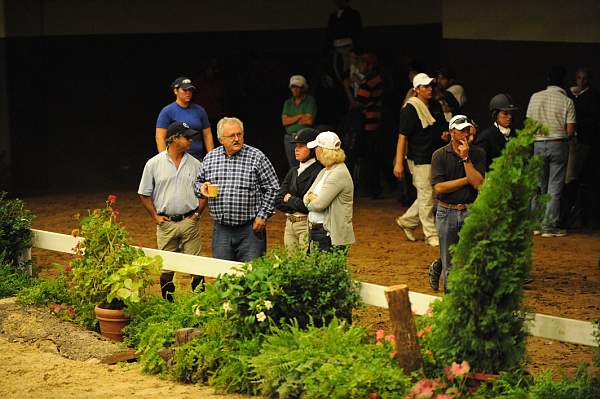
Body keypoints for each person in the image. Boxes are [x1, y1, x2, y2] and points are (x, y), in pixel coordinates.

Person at [194, 117, 279, 262]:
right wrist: (201, 188)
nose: (237, 139)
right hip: (221, 229)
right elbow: (197, 183)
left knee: (252, 276)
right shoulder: (210, 158)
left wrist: (263, 215)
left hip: (250, 229)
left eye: (239, 134)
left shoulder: (256, 157)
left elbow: (273, 188)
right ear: (221, 139)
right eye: (231, 136)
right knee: (222, 274)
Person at [138, 122, 207, 301]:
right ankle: (168, 303)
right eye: (187, 137)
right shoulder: (153, 164)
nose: (191, 140)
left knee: (196, 266)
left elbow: (204, 191)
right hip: (166, 223)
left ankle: (199, 304)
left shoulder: (196, 164)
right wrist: (155, 216)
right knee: (167, 268)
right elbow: (144, 193)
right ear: (175, 138)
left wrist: (197, 214)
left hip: (189, 221)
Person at [431, 115, 486, 292]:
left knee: (472, 260)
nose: (465, 133)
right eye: (461, 130)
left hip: (470, 211)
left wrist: (465, 159)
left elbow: (478, 183)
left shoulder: (477, 153)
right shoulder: (439, 155)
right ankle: (450, 302)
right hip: (446, 212)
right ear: (452, 132)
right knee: (449, 263)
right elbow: (439, 188)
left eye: (467, 129)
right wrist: (466, 180)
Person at [393, 73, 446, 247]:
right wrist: (399, 162)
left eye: (431, 85)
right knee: (426, 195)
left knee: (429, 195)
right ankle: (431, 234)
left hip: (436, 156)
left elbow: (442, 128)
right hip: (419, 158)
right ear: (417, 90)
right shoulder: (409, 109)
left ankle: (407, 221)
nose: (429, 89)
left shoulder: (436, 105)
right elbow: (402, 137)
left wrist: (445, 135)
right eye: (425, 86)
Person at [526, 66, 576, 237]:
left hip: (537, 144)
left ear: (548, 80)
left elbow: (529, 124)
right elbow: (569, 131)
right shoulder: (567, 101)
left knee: (539, 185)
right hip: (557, 144)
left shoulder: (535, 97)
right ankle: (549, 226)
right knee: (554, 187)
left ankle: (535, 224)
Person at [304, 131, 355, 252]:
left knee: (326, 270)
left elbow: (319, 205)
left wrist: (312, 199)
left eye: (316, 148)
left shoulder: (338, 173)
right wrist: (311, 198)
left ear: (322, 151)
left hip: (329, 235)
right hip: (317, 231)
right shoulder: (324, 172)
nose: (314, 151)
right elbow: (305, 197)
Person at [274, 128, 323, 252]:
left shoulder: (319, 171)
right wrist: (295, 202)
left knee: (304, 264)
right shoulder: (293, 171)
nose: (296, 149)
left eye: (301, 146)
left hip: (306, 224)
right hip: (289, 223)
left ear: (312, 148)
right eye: (296, 146)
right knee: (291, 263)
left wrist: (289, 198)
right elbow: (278, 200)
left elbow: (309, 205)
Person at [156, 76, 215, 162]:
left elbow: (207, 135)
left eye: (190, 90)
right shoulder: (167, 111)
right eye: (184, 90)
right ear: (176, 91)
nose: (188, 93)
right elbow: (160, 137)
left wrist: (211, 157)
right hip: (176, 158)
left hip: (197, 158)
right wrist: (164, 160)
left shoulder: (199, 110)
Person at [355, 52, 385, 198]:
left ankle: (372, 190)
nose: (358, 66)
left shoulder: (369, 81)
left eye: (361, 63)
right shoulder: (375, 78)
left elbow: (358, 103)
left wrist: (348, 88)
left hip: (370, 124)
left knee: (370, 159)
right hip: (374, 123)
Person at [474, 93, 519, 171]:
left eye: (511, 113)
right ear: (495, 115)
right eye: (505, 113)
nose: (510, 117)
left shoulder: (516, 134)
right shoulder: (485, 137)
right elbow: (480, 165)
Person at [281, 75, 317, 168]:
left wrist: (291, 118)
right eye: (293, 87)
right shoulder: (288, 103)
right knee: (293, 167)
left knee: (306, 165)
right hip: (290, 138)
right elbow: (284, 121)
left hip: (305, 139)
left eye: (298, 87)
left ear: (303, 88)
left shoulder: (309, 100)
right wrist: (300, 116)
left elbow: (309, 120)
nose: (295, 89)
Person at [327, 0, 362, 82]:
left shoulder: (353, 14)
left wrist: (354, 47)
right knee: (336, 68)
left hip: (348, 46)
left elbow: (356, 30)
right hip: (335, 46)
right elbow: (329, 32)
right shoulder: (333, 16)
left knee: (347, 68)